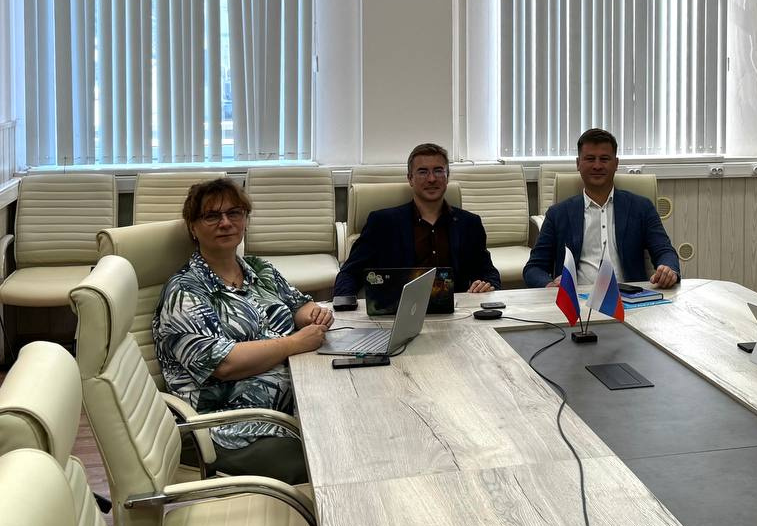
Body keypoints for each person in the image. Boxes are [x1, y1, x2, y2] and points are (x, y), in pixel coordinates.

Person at [153, 178, 330, 484]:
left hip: (293, 404)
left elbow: (297, 304)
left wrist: (311, 315)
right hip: (230, 428)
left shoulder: (259, 269)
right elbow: (224, 364)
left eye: (234, 213)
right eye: (212, 216)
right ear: (193, 227)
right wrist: (295, 343)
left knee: (354, 427)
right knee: (326, 461)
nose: (226, 223)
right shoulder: (184, 292)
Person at [333, 142, 500, 297]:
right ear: (410, 179)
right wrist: (344, 305)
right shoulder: (382, 223)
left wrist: (487, 285)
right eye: (422, 172)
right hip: (398, 311)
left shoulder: (469, 223)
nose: (431, 179)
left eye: (438, 171)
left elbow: (488, 273)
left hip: (457, 311)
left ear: (447, 177)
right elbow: (349, 274)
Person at [524, 128, 680, 288]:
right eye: (590, 159)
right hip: (576, 299)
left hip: (629, 297)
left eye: (604, 159)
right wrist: (549, 285)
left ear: (616, 164)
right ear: (578, 164)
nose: (597, 166)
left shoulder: (641, 207)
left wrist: (669, 269)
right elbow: (534, 268)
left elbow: (664, 251)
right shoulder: (558, 214)